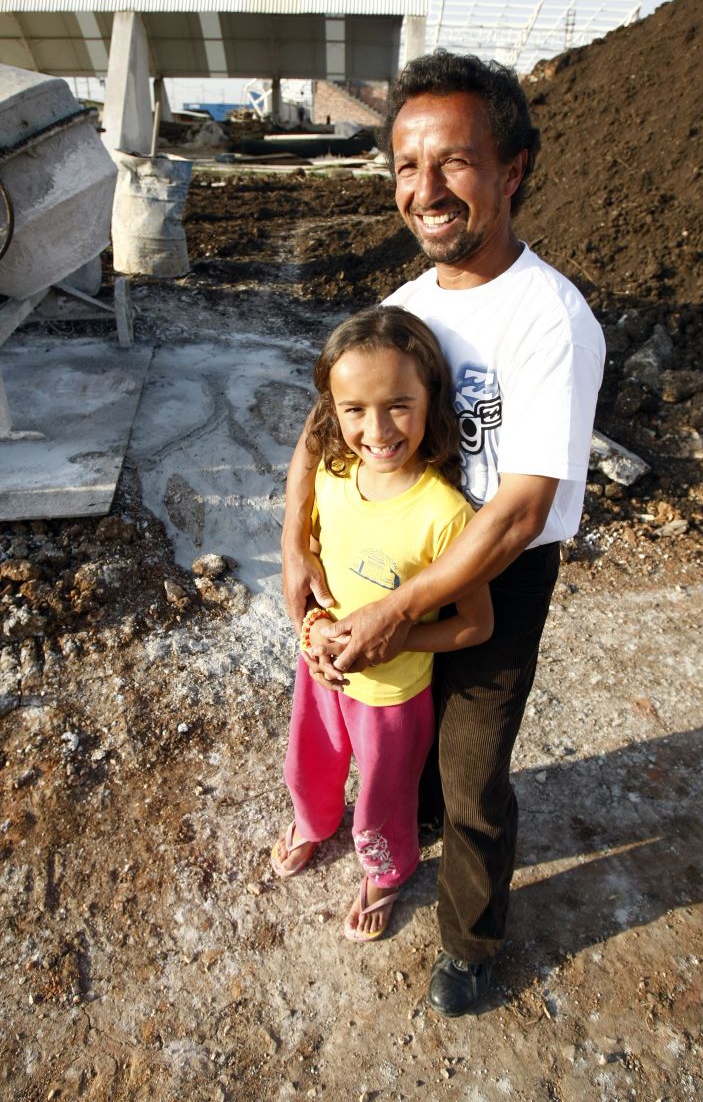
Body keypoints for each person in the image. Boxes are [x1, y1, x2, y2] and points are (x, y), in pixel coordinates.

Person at [282, 51, 605, 1012]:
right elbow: (318, 428)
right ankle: (399, 819)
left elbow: (519, 510)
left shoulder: (549, 318)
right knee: (395, 723)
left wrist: (398, 611)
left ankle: (471, 935)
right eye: (406, 167)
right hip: (389, 560)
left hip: (494, 585)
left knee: (472, 775)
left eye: (455, 163)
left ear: (513, 170)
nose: (425, 191)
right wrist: (294, 543)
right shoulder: (408, 307)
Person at [271, 306, 494, 942]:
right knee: (307, 762)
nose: (377, 429)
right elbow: (316, 557)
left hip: (394, 697)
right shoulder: (334, 475)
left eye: (399, 404)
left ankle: (385, 873)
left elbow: (473, 626)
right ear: (332, 412)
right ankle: (313, 823)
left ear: (432, 400)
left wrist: (396, 638)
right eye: (355, 410)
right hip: (319, 673)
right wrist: (313, 622)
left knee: (384, 798)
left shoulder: (446, 515)